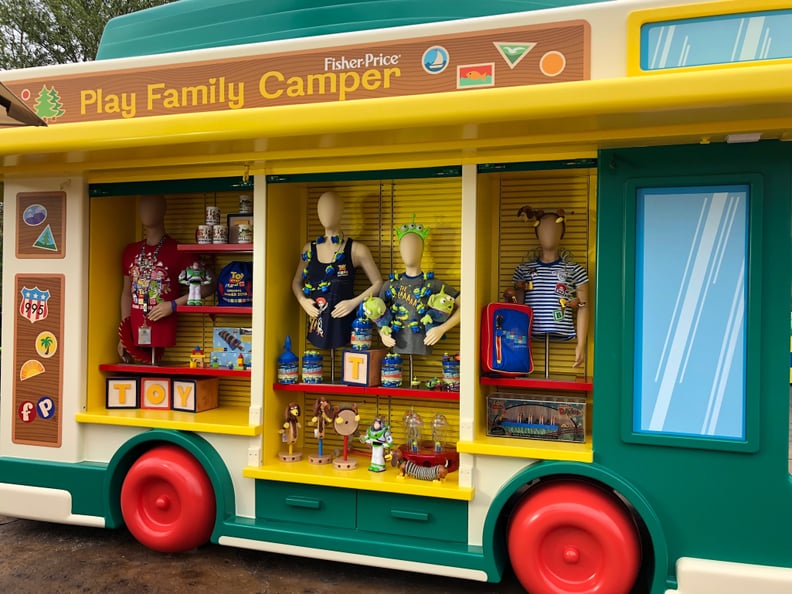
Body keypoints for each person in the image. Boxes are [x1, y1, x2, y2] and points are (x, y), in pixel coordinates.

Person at [117, 195, 212, 362]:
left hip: (163, 329)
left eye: (152, 206)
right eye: (142, 206)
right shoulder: (130, 251)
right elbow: (126, 293)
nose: (146, 211)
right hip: (136, 330)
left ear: (163, 210)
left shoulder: (179, 251)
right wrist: (124, 335)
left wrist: (174, 305)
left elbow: (206, 286)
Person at [292, 191, 382, 349]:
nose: (326, 214)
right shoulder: (309, 249)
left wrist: (353, 303)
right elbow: (296, 281)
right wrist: (303, 301)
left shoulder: (356, 250)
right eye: (322, 209)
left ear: (341, 212)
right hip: (317, 321)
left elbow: (378, 283)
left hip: (344, 322)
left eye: (332, 209)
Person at [511, 206, 589, 368]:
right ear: (537, 233)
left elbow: (584, 307)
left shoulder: (575, 270)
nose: (548, 234)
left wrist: (581, 344)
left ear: (562, 233)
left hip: (561, 328)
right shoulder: (523, 270)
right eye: (544, 230)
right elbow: (518, 308)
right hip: (531, 330)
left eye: (554, 230)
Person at [377, 215, 460, 355]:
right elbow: (375, 312)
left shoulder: (432, 283)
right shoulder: (391, 284)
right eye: (405, 247)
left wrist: (442, 329)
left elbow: (464, 304)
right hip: (397, 344)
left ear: (421, 251)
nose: (409, 251)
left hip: (422, 343)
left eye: (415, 247)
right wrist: (382, 334)